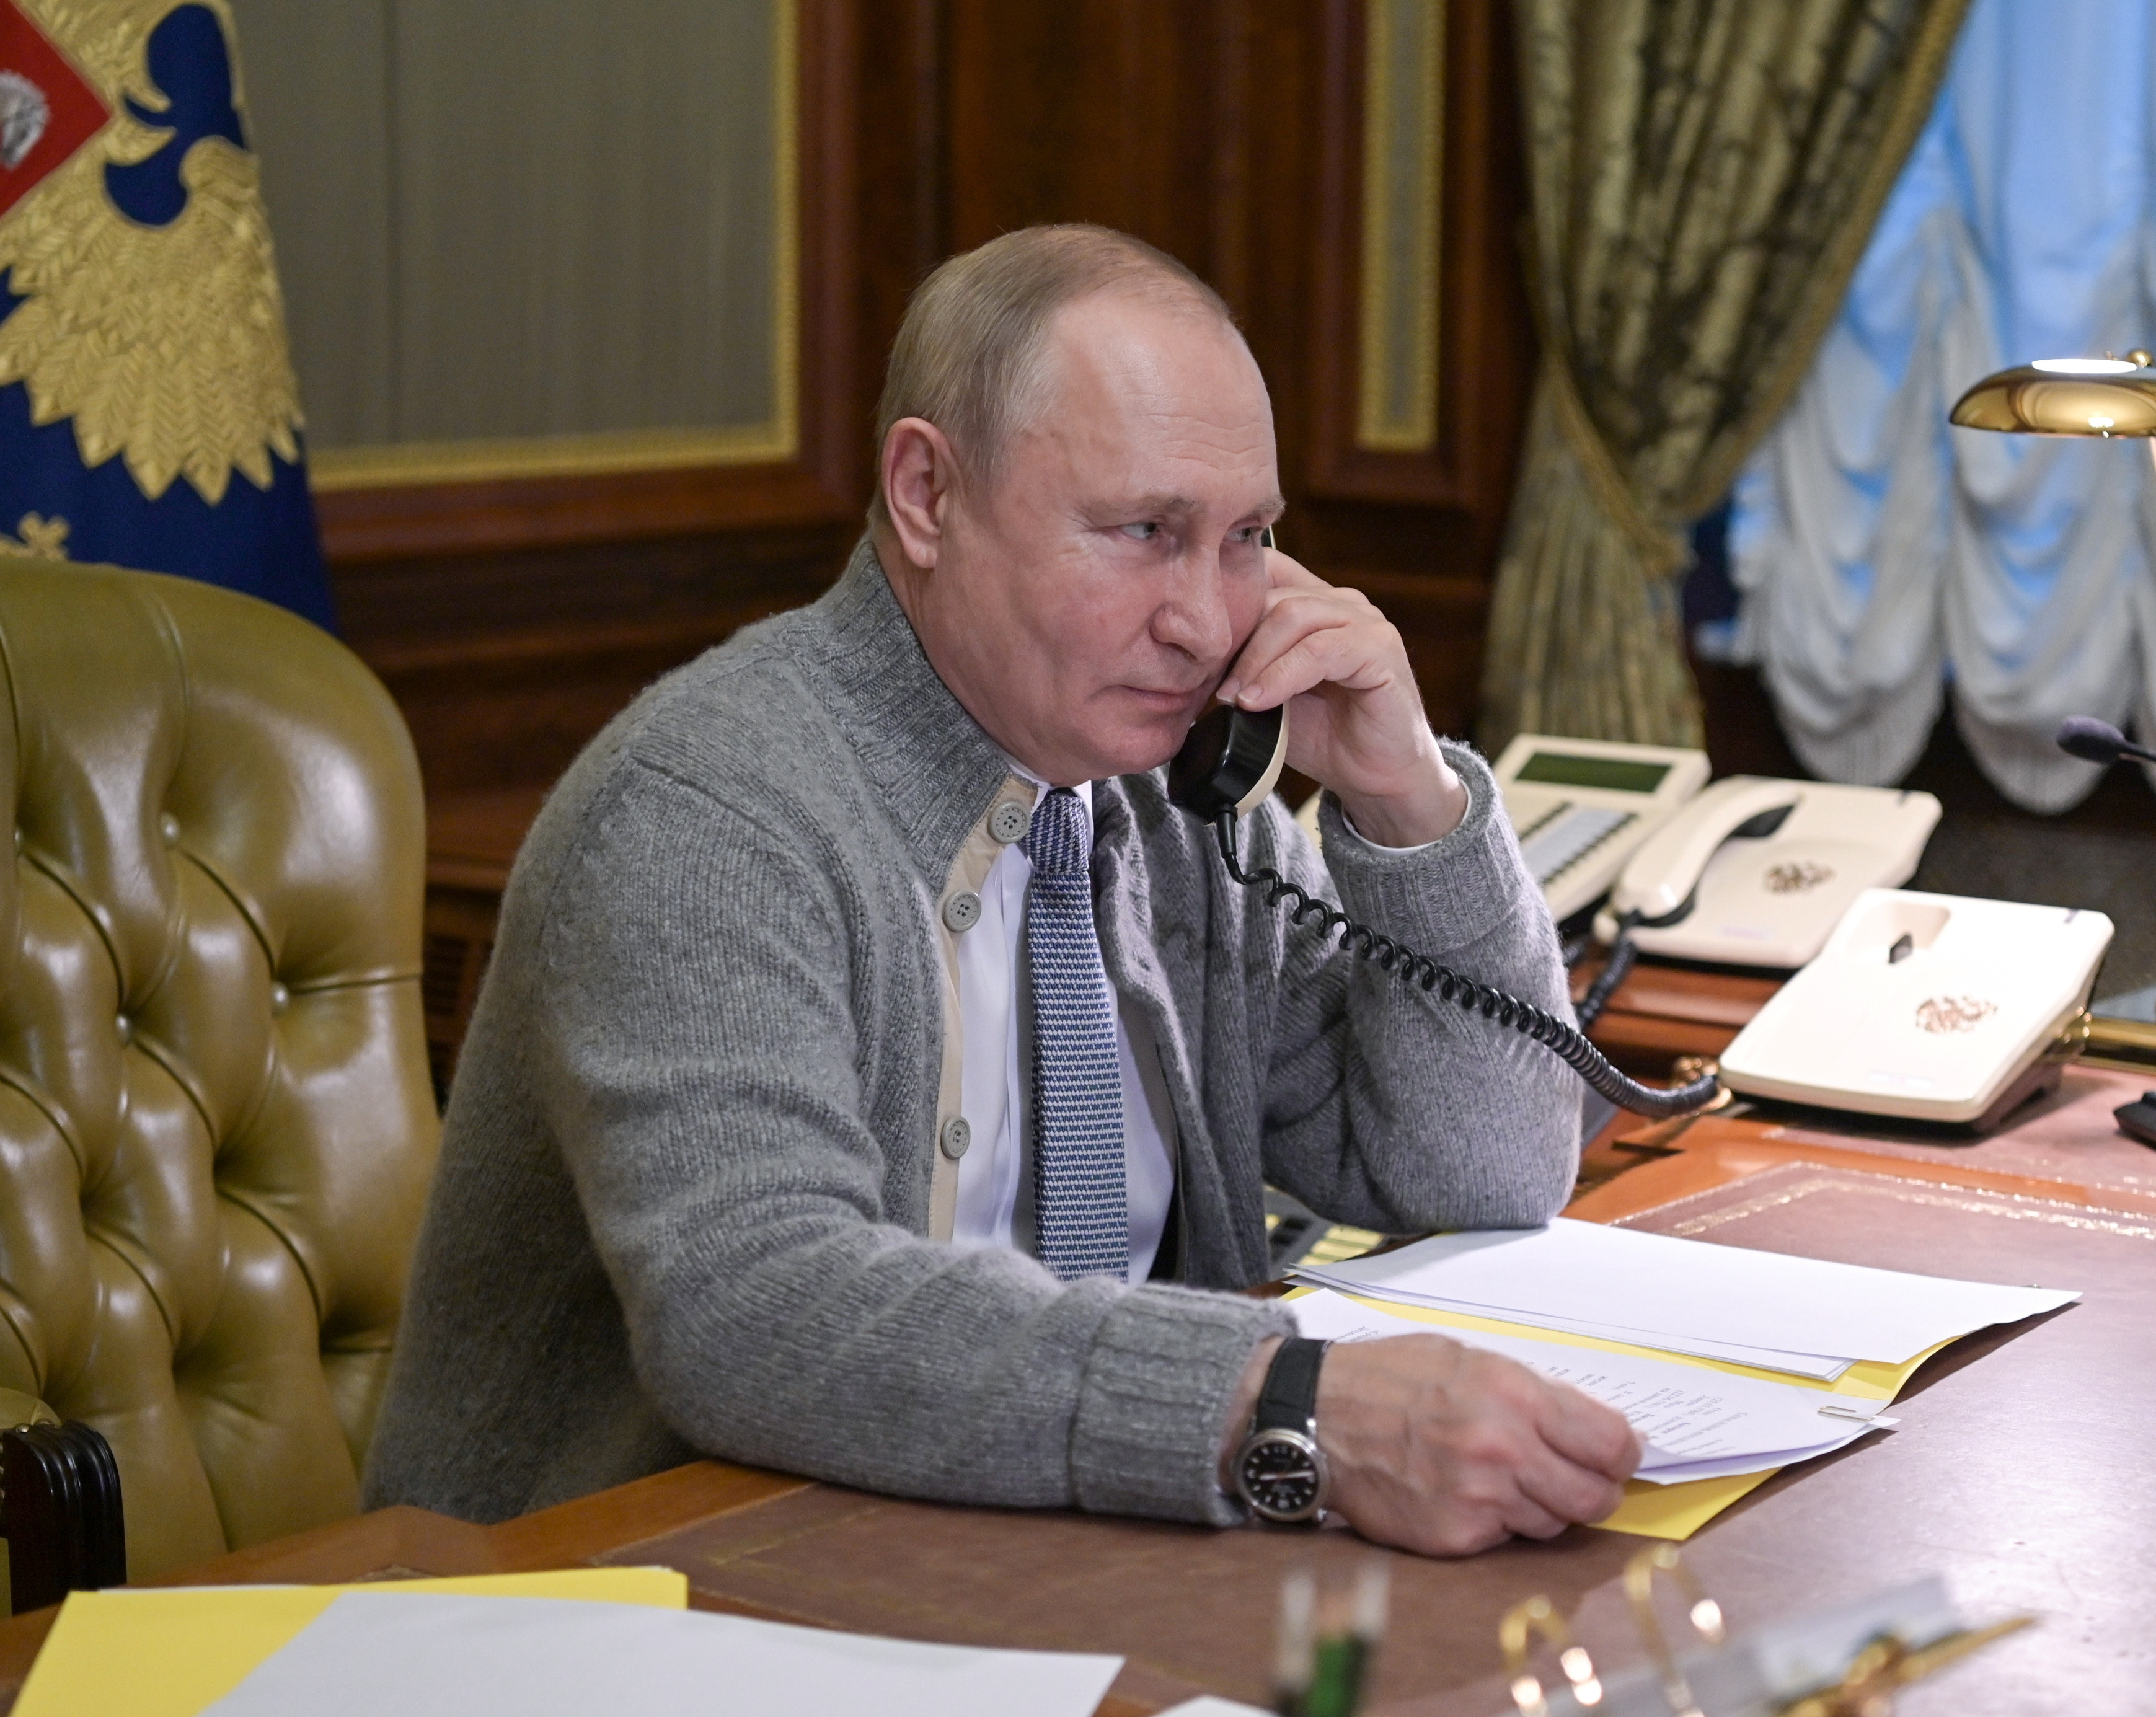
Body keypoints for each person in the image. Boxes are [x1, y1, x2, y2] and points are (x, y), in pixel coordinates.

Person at [363, 225, 1641, 1555]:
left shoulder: (1182, 801)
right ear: (925, 493)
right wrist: (1278, 1402)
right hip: (636, 1596)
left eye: (1245, 538)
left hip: (1040, 1556)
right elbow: (753, 1310)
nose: (1206, 619)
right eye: (1143, 530)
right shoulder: (705, 809)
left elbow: (1480, 1171)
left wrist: (1407, 804)